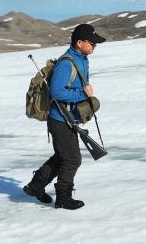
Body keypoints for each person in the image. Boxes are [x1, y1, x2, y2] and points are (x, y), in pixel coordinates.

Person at [23, 23, 106, 210]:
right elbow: (57, 92)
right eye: (92, 42)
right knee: (72, 159)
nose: (95, 45)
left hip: (68, 118)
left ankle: (35, 187)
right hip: (60, 119)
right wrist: (83, 95)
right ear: (79, 42)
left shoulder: (82, 59)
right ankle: (63, 198)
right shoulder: (67, 63)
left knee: (62, 157)